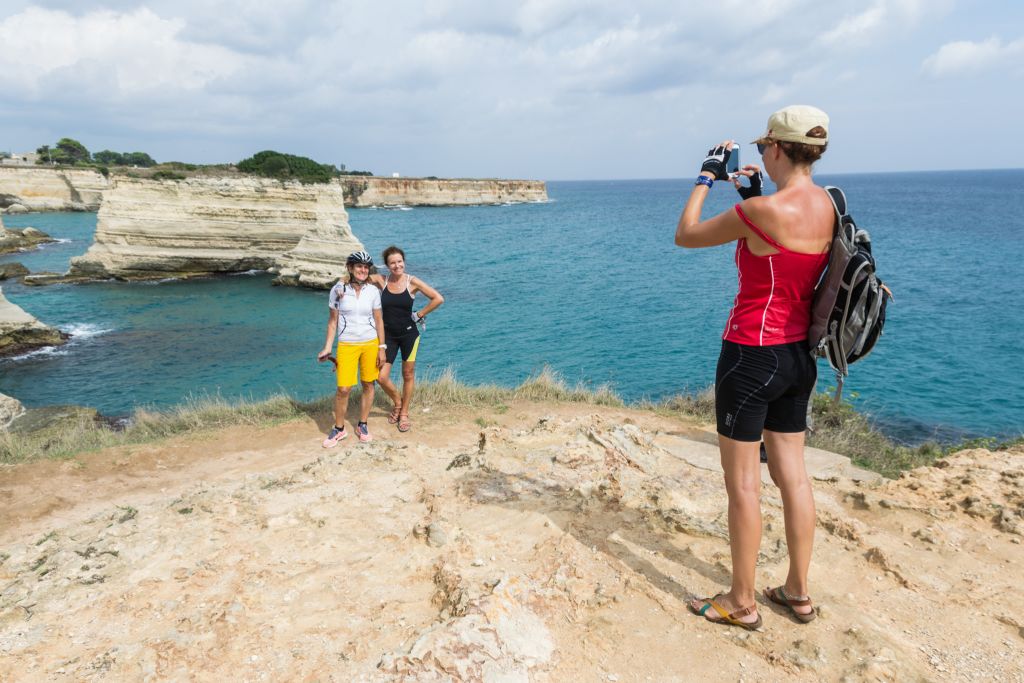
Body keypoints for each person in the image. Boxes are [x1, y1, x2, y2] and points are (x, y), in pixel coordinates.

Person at [675, 105, 834, 630]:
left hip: (750, 355)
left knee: (742, 484)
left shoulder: (764, 212)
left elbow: (687, 233)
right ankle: (797, 590)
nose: (762, 151)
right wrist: (750, 196)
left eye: (766, 144)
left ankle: (740, 602)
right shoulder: (827, 206)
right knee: (794, 477)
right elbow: (781, 250)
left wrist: (706, 178)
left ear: (779, 150)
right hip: (797, 358)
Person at [369, 245, 444, 432]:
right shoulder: (381, 280)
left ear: (404, 262)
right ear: (386, 265)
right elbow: (356, 278)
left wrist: (419, 314)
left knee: (408, 374)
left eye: (399, 261)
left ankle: (404, 413)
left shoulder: (413, 282)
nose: (397, 265)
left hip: (409, 335)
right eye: (392, 263)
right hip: (387, 337)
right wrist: (340, 286)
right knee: (380, 376)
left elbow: (438, 298)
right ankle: (397, 402)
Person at [318, 251, 386, 446]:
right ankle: (339, 429)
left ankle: (362, 424)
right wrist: (327, 347)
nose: (363, 270)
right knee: (343, 389)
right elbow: (332, 322)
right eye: (359, 266)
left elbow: (379, 320)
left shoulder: (373, 292)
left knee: (368, 384)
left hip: (370, 343)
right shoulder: (338, 290)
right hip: (347, 344)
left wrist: (382, 347)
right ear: (350, 268)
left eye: (366, 267)